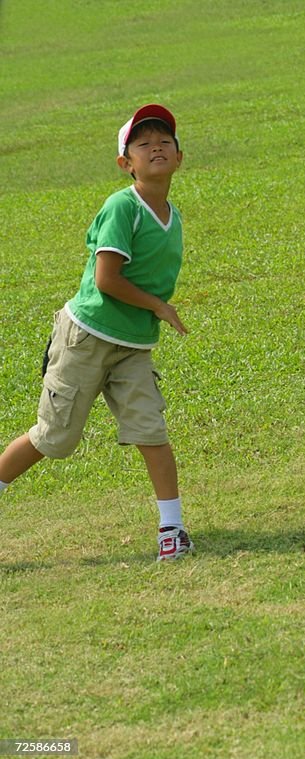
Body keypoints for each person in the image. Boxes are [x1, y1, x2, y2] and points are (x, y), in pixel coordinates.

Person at [0, 104, 194, 561]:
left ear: (180, 158)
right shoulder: (121, 207)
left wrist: (152, 313)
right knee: (54, 437)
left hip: (133, 346)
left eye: (165, 141)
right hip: (85, 337)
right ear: (126, 164)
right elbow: (107, 279)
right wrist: (158, 307)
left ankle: (173, 528)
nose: (156, 147)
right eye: (143, 144)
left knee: (151, 430)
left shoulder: (173, 215)